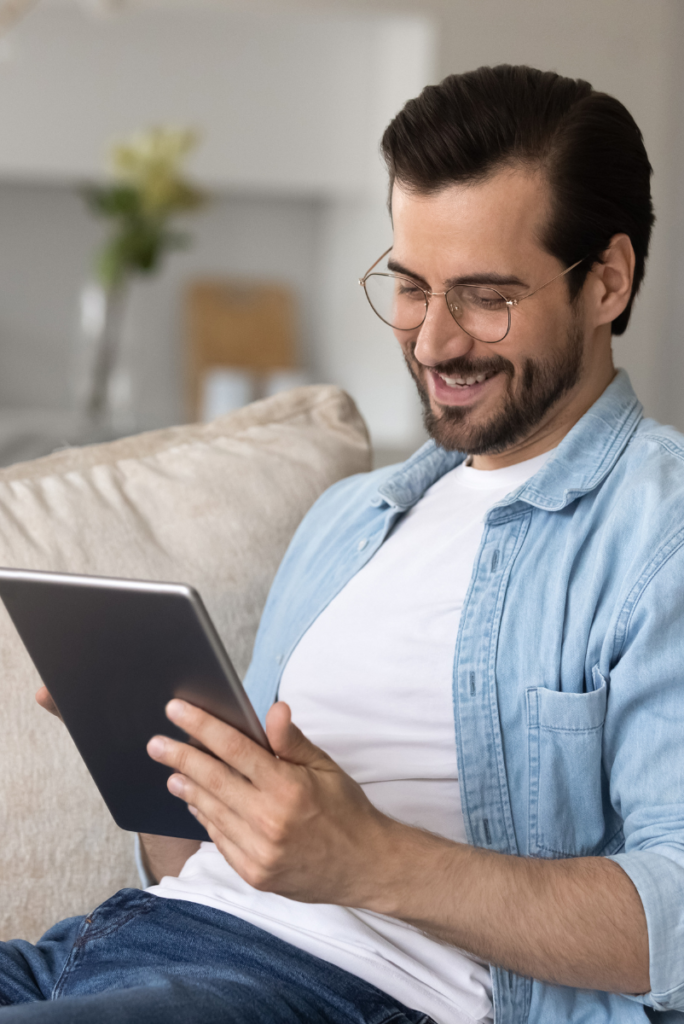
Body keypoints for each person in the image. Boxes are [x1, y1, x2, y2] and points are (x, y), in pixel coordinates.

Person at [5, 64, 684, 1024]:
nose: (435, 342)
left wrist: (366, 860)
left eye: (485, 296)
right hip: (114, 946)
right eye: (411, 287)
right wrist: (166, 765)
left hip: (328, 996)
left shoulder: (661, 531)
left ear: (607, 280)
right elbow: (207, 866)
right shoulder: (351, 518)